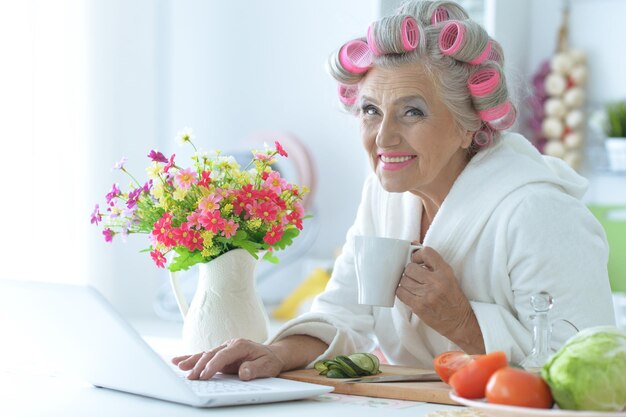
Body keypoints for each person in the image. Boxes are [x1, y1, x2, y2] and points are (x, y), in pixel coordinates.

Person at [172, 0, 615, 381]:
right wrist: (274, 354)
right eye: (370, 110)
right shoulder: (385, 196)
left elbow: (592, 373)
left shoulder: (539, 212)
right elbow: (345, 311)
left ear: (470, 126)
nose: (383, 138)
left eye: (412, 113)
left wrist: (463, 322)